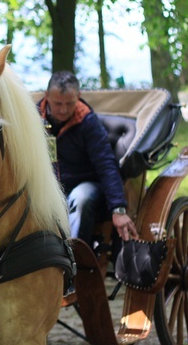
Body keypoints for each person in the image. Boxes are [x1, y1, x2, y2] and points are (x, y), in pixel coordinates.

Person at [37, 71, 138, 246]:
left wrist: (119, 208)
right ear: (47, 97)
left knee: (81, 198)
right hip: (48, 186)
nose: (63, 109)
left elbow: (106, 164)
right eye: (57, 103)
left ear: (79, 96)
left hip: (86, 185)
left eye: (69, 103)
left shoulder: (88, 122)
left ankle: (73, 256)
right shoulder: (33, 118)